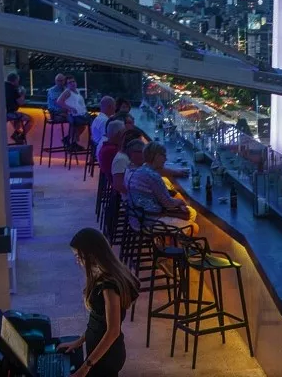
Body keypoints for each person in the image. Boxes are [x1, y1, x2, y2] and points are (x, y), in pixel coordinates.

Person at [57, 228, 139, 377]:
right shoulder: (100, 276)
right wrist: (79, 341)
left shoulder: (109, 287)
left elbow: (112, 331)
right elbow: (97, 321)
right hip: (98, 353)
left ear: (91, 255)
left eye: (79, 257)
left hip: (107, 357)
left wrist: (85, 367)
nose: (78, 262)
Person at [125, 142, 198, 234]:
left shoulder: (140, 170)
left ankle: (167, 243)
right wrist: (181, 202)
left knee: (189, 214)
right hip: (148, 221)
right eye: (163, 155)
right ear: (156, 156)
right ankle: (172, 247)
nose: (166, 159)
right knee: (193, 226)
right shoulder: (152, 176)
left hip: (137, 218)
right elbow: (167, 203)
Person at [57, 75, 91, 150]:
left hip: (81, 114)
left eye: (73, 81)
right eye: (70, 82)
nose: (72, 83)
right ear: (66, 85)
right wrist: (70, 108)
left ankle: (70, 140)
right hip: (74, 115)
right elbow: (59, 102)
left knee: (84, 125)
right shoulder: (67, 91)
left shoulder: (77, 91)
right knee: (83, 124)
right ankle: (72, 142)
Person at [4, 73, 33, 144]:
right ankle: (19, 136)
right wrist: (23, 93)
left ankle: (17, 136)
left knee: (18, 121)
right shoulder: (13, 88)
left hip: (2, 113)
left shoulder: (2, 86)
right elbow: (21, 102)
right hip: (9, 113)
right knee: (31, 119)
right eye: (18, 80)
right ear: (16, 80)